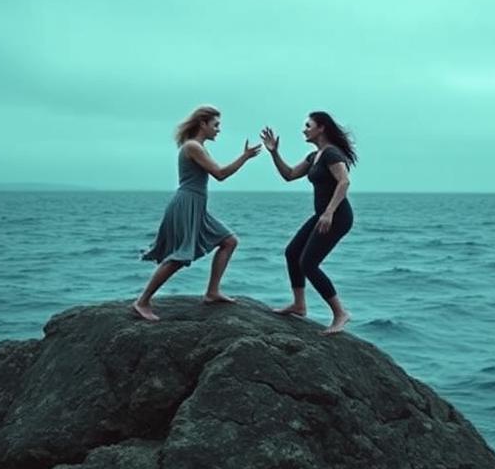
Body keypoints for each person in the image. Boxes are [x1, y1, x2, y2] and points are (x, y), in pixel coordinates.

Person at [134, 105, 261, 322]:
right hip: (186, 204)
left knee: (229, 241)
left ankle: (212, 292)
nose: (218, 130)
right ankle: (142, 301)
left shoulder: (197, 147)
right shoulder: (193, 147)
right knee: (180, 256)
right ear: (203, 124)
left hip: (197, 205)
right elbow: (220, 174)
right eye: (216, 125)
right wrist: (245, 157)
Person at [260, 111, 357, 334]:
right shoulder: (315, 157)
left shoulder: (332, 153)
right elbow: (290, 175)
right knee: (292, 252)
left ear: (321, 128)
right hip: (323, 214)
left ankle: (341, 313)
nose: (304, 129)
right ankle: (299, 304)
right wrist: (274, 153)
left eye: (308, 125)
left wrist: (329, 212)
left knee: (309, 264)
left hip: (337, 216)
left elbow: (344, 182)